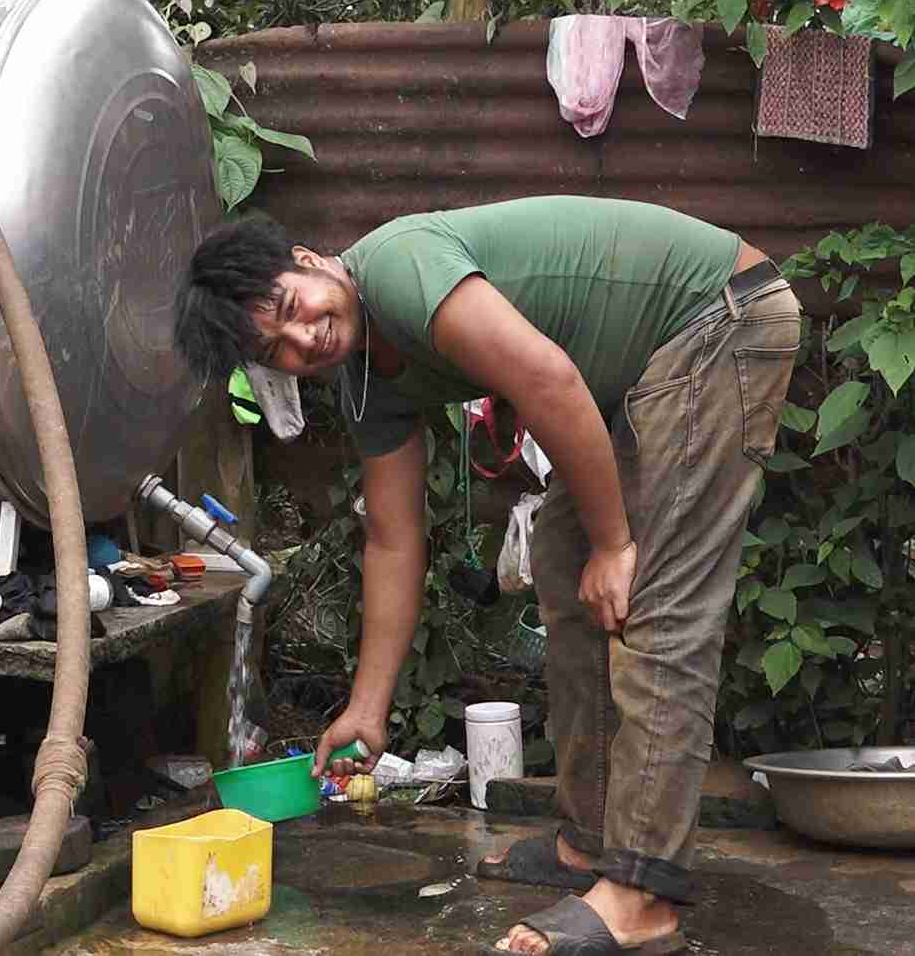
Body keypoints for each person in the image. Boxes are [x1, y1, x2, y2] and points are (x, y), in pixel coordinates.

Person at [172, 196, 802, 956]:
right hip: (646, 367)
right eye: (277, 347)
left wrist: (614, 542)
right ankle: (591, 840)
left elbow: (548, 380)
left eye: (289, 305)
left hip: (715, 321)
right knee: (566, 574)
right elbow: (394, 541)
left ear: (304, 259)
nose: (304, 336)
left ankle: (641, 892)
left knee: (653, 605)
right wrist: (367, 708)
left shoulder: (400, 270)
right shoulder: (367, 382)